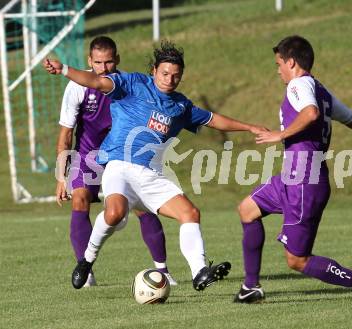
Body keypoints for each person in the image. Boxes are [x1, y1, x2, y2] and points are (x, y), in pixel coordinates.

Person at [45, 40, 268, 291]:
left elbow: (213, 119)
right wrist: (63, 68)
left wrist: (249, 127)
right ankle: (86, 260)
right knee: (114, 214)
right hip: (118, 166)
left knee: (190, 214)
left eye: (175, 75)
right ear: (154, 71)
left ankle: (199, 272)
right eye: (164, 73)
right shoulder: (132, 84)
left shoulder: (181, 106)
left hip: (150, 174)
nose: (169, 79)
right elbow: (96, 81)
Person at [234, 35, 352, 303]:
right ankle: (250, 287)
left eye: (279, 63)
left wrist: (279, 135)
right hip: (293, 177)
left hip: (304, 181)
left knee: (297, 260)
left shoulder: (298, 85)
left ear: (291, 62)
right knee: (247, 210)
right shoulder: (321, 90)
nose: (278, 70)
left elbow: (310, 113)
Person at [55, 36, 177, 287]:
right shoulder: (78, 86)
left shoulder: (127, 85)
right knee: (79, 200)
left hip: (121, 154)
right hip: (87, 154)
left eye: (109, 62)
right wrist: (61, 176)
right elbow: (66, 133)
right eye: (98, 62)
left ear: (117, 60)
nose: (103, 68)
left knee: (143, 206)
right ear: (90, 61)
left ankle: (163, 270)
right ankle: (85, 270)